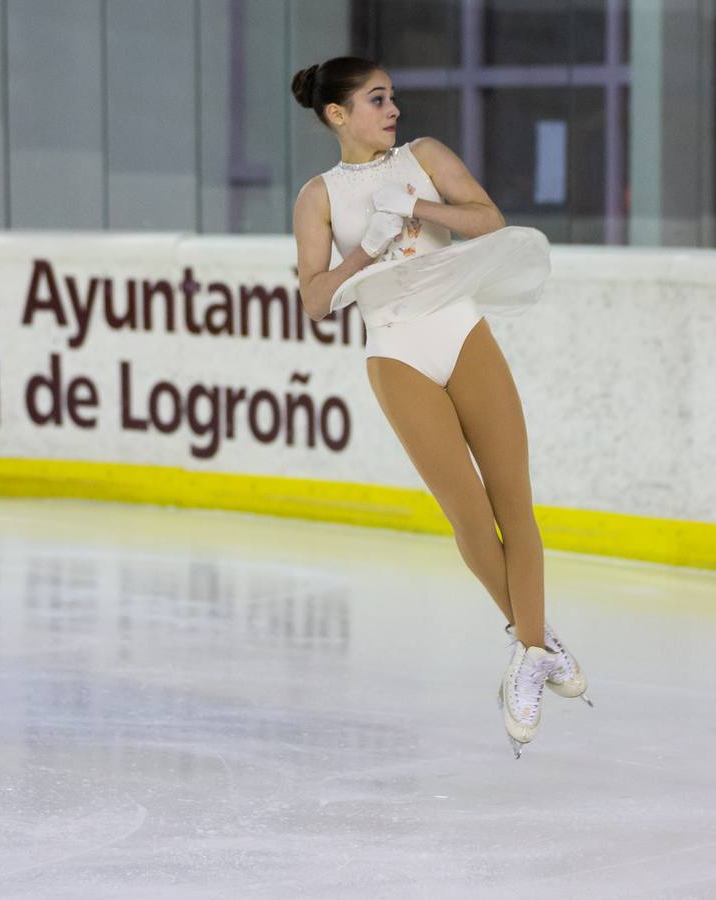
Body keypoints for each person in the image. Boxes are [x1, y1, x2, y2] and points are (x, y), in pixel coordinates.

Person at [289, 56, 590, 758]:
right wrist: (364, 250)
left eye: (391, 96)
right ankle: (538, 642)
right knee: (467, 514)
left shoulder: (424, 156)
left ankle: (532, 648)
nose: (391, 108)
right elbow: (311, 299)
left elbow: (489, 220)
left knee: (514, 500)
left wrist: (417, 208)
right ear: (337, 115)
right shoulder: (318, 196)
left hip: (461, 328)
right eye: (375, 99)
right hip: (396, 349)